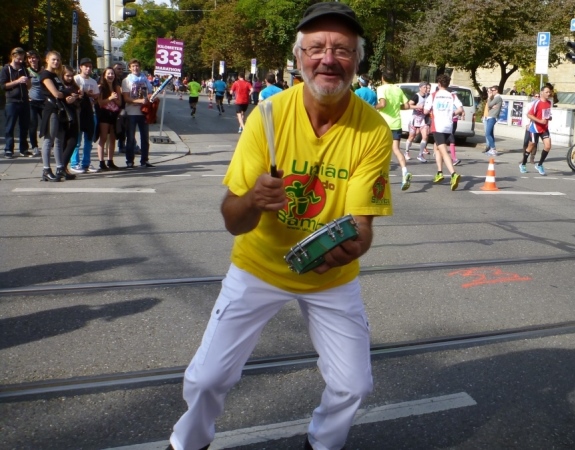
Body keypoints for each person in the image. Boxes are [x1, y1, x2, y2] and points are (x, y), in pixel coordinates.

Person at [167, 3, 392, 450]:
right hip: (259, 266)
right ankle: (187, 443)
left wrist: (352, 247)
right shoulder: (267, 116)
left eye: (342, 50)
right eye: (317, 48)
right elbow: (233, 221)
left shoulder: (372, 131)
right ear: (298, 57)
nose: (328, 59)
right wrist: (253, 200)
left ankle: (322, 443)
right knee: (207, 378)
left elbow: (361, 225)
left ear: (357, 61)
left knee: (354, 386)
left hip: (330, 279)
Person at [38, 51, 78, 181]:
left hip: (60, 110)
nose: (56, 62)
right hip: (51, 110)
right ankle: (46, 170)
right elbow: (56, 93)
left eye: (58, 60)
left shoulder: (55, 75)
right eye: (53, 59)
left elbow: (62, 93)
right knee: (49, 140)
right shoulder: (45, 75)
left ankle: (60, 168)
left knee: (59, 140)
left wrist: (68, 96)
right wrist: (67, 93)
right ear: (47, 60)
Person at [423, 73, 462, 190]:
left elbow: (425, 111)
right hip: (448, 126)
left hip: (438, 126)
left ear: (439, 84)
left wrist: (425, 108)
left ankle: (453, 174)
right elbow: (460, 109)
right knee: (437, 148)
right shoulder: (452, 95)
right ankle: (439, 172)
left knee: (443, 151)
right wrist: (451, 113)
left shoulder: (433, 95)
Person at [375, 69, 411, 190]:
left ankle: (379, 176)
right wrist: (396, 106)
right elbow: (407, 105)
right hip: (396, 123)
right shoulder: (398, 89)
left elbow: (383, 104)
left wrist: (372, 107)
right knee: (396, 149)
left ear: (382, 78)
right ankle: (405, 172)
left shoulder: (381, 88)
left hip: (384, 123)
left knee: (380, 149)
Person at [121, 59, 154, 169]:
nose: (136, 68)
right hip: (131, 112)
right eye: (133, 66)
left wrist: (152, 97)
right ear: (130, 68)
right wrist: (140, 101)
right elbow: (126, 98)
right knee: (130, 138)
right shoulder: (126, 80)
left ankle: (145, 160)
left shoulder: (145, 80)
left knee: (145, 138)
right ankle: (129, 161)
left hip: (144, 112)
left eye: (137, 66)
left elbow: (149, 94)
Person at [70, 58, 100, 173]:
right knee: (77, 140)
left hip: (90, 112)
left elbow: (96, 96)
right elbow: (73, 93)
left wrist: (93, 97)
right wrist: (84, 94)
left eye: (90, 66)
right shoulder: (76, 79)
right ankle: (74, 163)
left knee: (89, 140)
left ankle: (86, 163)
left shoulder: (93, 82)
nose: (88, 68)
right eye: (86, 66)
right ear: (80, 67)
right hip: (78, 112)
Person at [1, 47, 31, 158]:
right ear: (13, 56)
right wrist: (17, 81)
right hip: (12, 101)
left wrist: (28, 82)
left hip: (24, 101)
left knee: (24, 126)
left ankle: (24, 149)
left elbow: (29, 86)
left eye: (22, 59)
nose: (20, 61)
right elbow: (3, 86)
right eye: (18, 59)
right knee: (10, 126)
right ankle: (9, 149)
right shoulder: (6, 69)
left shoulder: (24, 69)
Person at [520, 83, 554, 175]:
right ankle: (523, 164)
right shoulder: (536, 103)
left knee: (548, 146)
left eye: (549, 92)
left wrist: (549, 117)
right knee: (531, 146)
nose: (548, 94)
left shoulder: (549, 103)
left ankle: (540, 164)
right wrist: (540, 121)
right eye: (546, 92)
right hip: (535, 128)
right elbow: (529, 115)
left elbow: (546, 115)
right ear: (541, 93)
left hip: (544, 128)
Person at [96, 67, 122, 171]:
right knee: (103, 137)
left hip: (114, 113)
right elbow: (100, 103)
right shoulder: (101, 87)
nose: (111, 76)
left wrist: (114, 99)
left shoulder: (117, 87)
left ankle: (110, 161)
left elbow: (120, 103)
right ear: (104, 75)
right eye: (109, 74)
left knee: (112, 138)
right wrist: (110, 98)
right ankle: (101, 162)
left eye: (112, 74)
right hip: (104, 113)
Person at [59, 65, 82, 180]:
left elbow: (79, 99)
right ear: (62, 75)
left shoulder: (74, 85)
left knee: (72, 141)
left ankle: (63, 167)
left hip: (73, 115)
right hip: (63, 116)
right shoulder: (59, 85)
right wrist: (68, 97)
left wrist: (78, 96)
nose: (70, 78)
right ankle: (61, 168)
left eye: (71, 76)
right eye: (67, 76)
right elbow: (59, 97)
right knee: (68, 142)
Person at [405, 81, 430, 163]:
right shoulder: (416, 96)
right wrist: (417, 106)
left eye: (427, 87)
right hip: (415, 118)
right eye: (424, 87)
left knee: (425, 136)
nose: (426, 89)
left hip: (423, 119)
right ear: (420, 88)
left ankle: (420, 155)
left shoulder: (428, 96)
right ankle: (406, 152)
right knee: (412, 136)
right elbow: (409, 105)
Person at [26, 50, 44, 157]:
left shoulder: (43, 70)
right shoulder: (27, 71)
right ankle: (35, 147)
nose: (32, 60)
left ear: (38, 59)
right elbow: (24, 86)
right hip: (32, 102)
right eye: (29, 58)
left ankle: (48, 144)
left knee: (47, 123)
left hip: (43, 101)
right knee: (33, 125)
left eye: (34, 57)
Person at [484, 85, 502, 156]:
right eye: (491, 90)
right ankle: (492, 149)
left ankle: (493, 149)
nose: (492, 92)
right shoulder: (495, 98)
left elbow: (489, 105)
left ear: (497, 90)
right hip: (490, 116)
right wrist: (491, 106)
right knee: (490, 133)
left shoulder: (498, 97)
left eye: (493, 90)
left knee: (487, 133)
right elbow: (489, 106)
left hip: (492, 117)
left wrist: (489, 98)